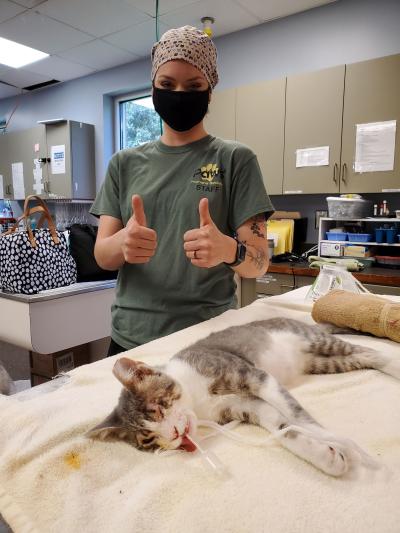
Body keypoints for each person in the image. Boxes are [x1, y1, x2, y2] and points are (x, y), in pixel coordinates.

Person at [90, 26, 274, 357]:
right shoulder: (124, 163)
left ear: (210, 92)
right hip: (131, 342)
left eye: (193, 86)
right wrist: (122, 243)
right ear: (153, 88)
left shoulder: (234, 159)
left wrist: (228, 249)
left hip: (207, 340)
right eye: (166, 85)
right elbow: (103, 255)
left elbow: (259, 263)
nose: (178, 94)